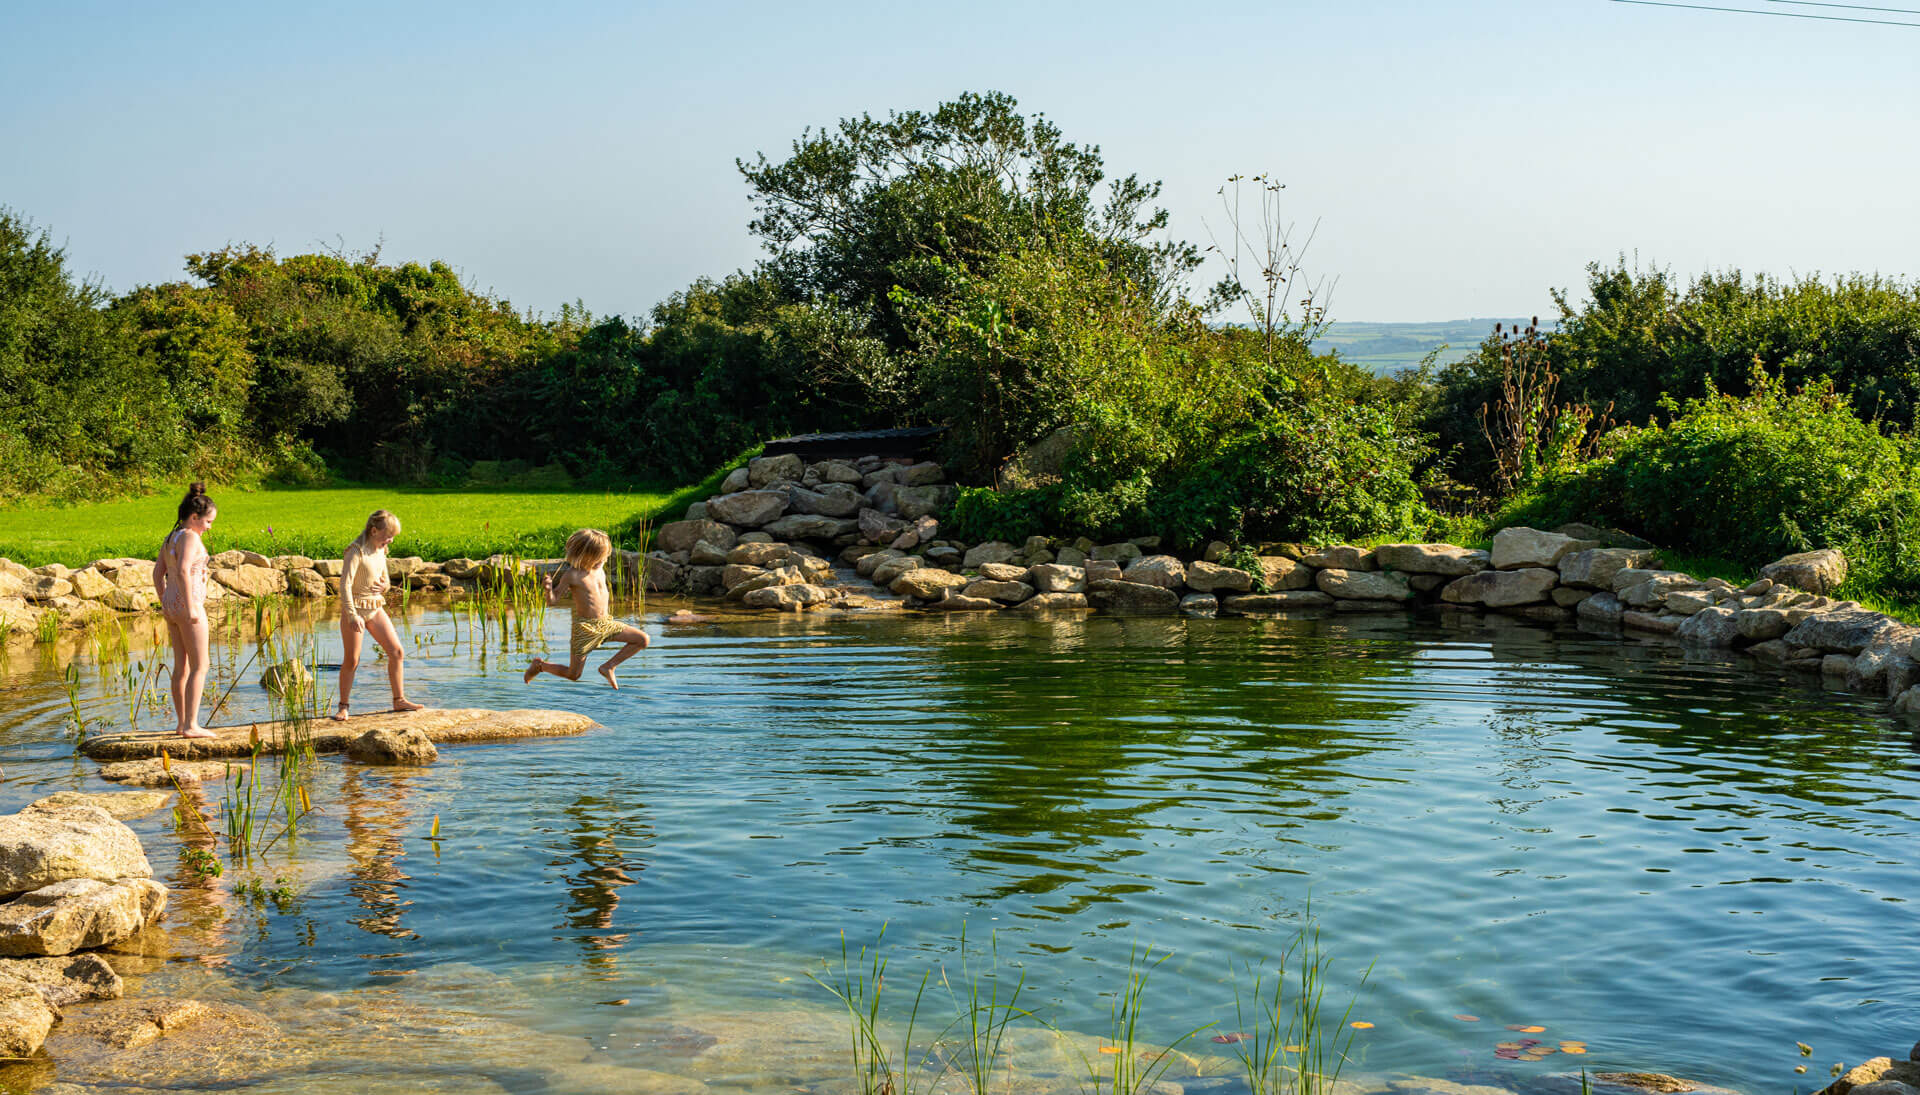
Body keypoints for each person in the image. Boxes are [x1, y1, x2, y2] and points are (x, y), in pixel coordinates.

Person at [523, 528, 649, 689]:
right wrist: (548, 589)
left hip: (606, 623)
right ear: (587, 555)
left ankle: (608, 667)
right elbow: (553, 602)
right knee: (574, 674)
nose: (605, 558)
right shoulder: (572, 575)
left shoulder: (599, 567)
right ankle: (540, 666)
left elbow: (599, 547)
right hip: (584, 628)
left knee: (642, 639)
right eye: (601, 555)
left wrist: (600, 541)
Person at [333, 509, 426, 721]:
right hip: (355, 610)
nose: (390, 541)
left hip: (375, 607)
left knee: (397, 652)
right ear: (374, 531)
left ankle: (399, 700)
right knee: (352, 660)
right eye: (387, 536)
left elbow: (384, 582)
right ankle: (343, 706)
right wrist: (351, 614)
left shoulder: (381, 551)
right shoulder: (355, 551)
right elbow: (345, 585)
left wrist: (385, 586)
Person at [152, 482, 218, 739]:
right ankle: (192, 725)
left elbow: (158, 573)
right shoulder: (190, 536)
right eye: (208, 522)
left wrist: (165, 600)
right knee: (201, 665)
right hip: (188, 606)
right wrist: (190, 606)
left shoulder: (172, 536)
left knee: (182, 666)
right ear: (194, 518)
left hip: (171, 605)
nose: (210, 527)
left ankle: (181, 724)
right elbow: (180, 570)